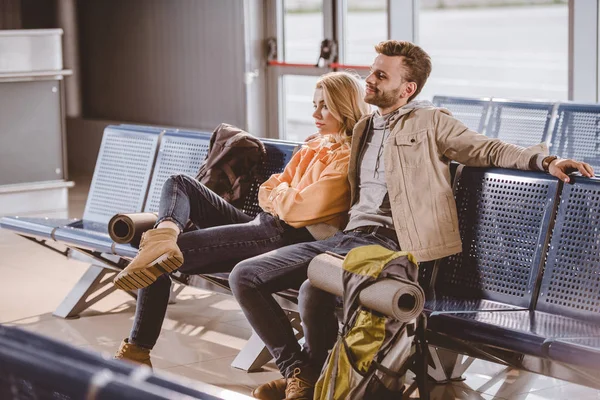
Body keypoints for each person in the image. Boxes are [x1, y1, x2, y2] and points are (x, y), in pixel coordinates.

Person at [231, 40, 596, 400]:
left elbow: (485, 148)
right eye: (371, 71)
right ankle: (307, 374)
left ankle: (306, 375)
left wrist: (545, 161)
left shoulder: (429, 121)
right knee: (295, 286)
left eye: (380, 75)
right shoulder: (364, 128)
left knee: (252, 276)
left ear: (407, 88)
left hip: (392, 246)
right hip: (351, 240)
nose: (369, 80)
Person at [111, 71, 371, 366]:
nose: (315, 113)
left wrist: (280, 196)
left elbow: (297, 210)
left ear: (345, 105)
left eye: (325, 105)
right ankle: (164, 235)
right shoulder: (315, 146)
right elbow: (268, 189)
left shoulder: (347, 157)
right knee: (180, 183)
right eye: (314, 104)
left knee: (154, 262)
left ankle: (137, 350)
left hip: (285, 238)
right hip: (264, 224)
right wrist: (281, 196)